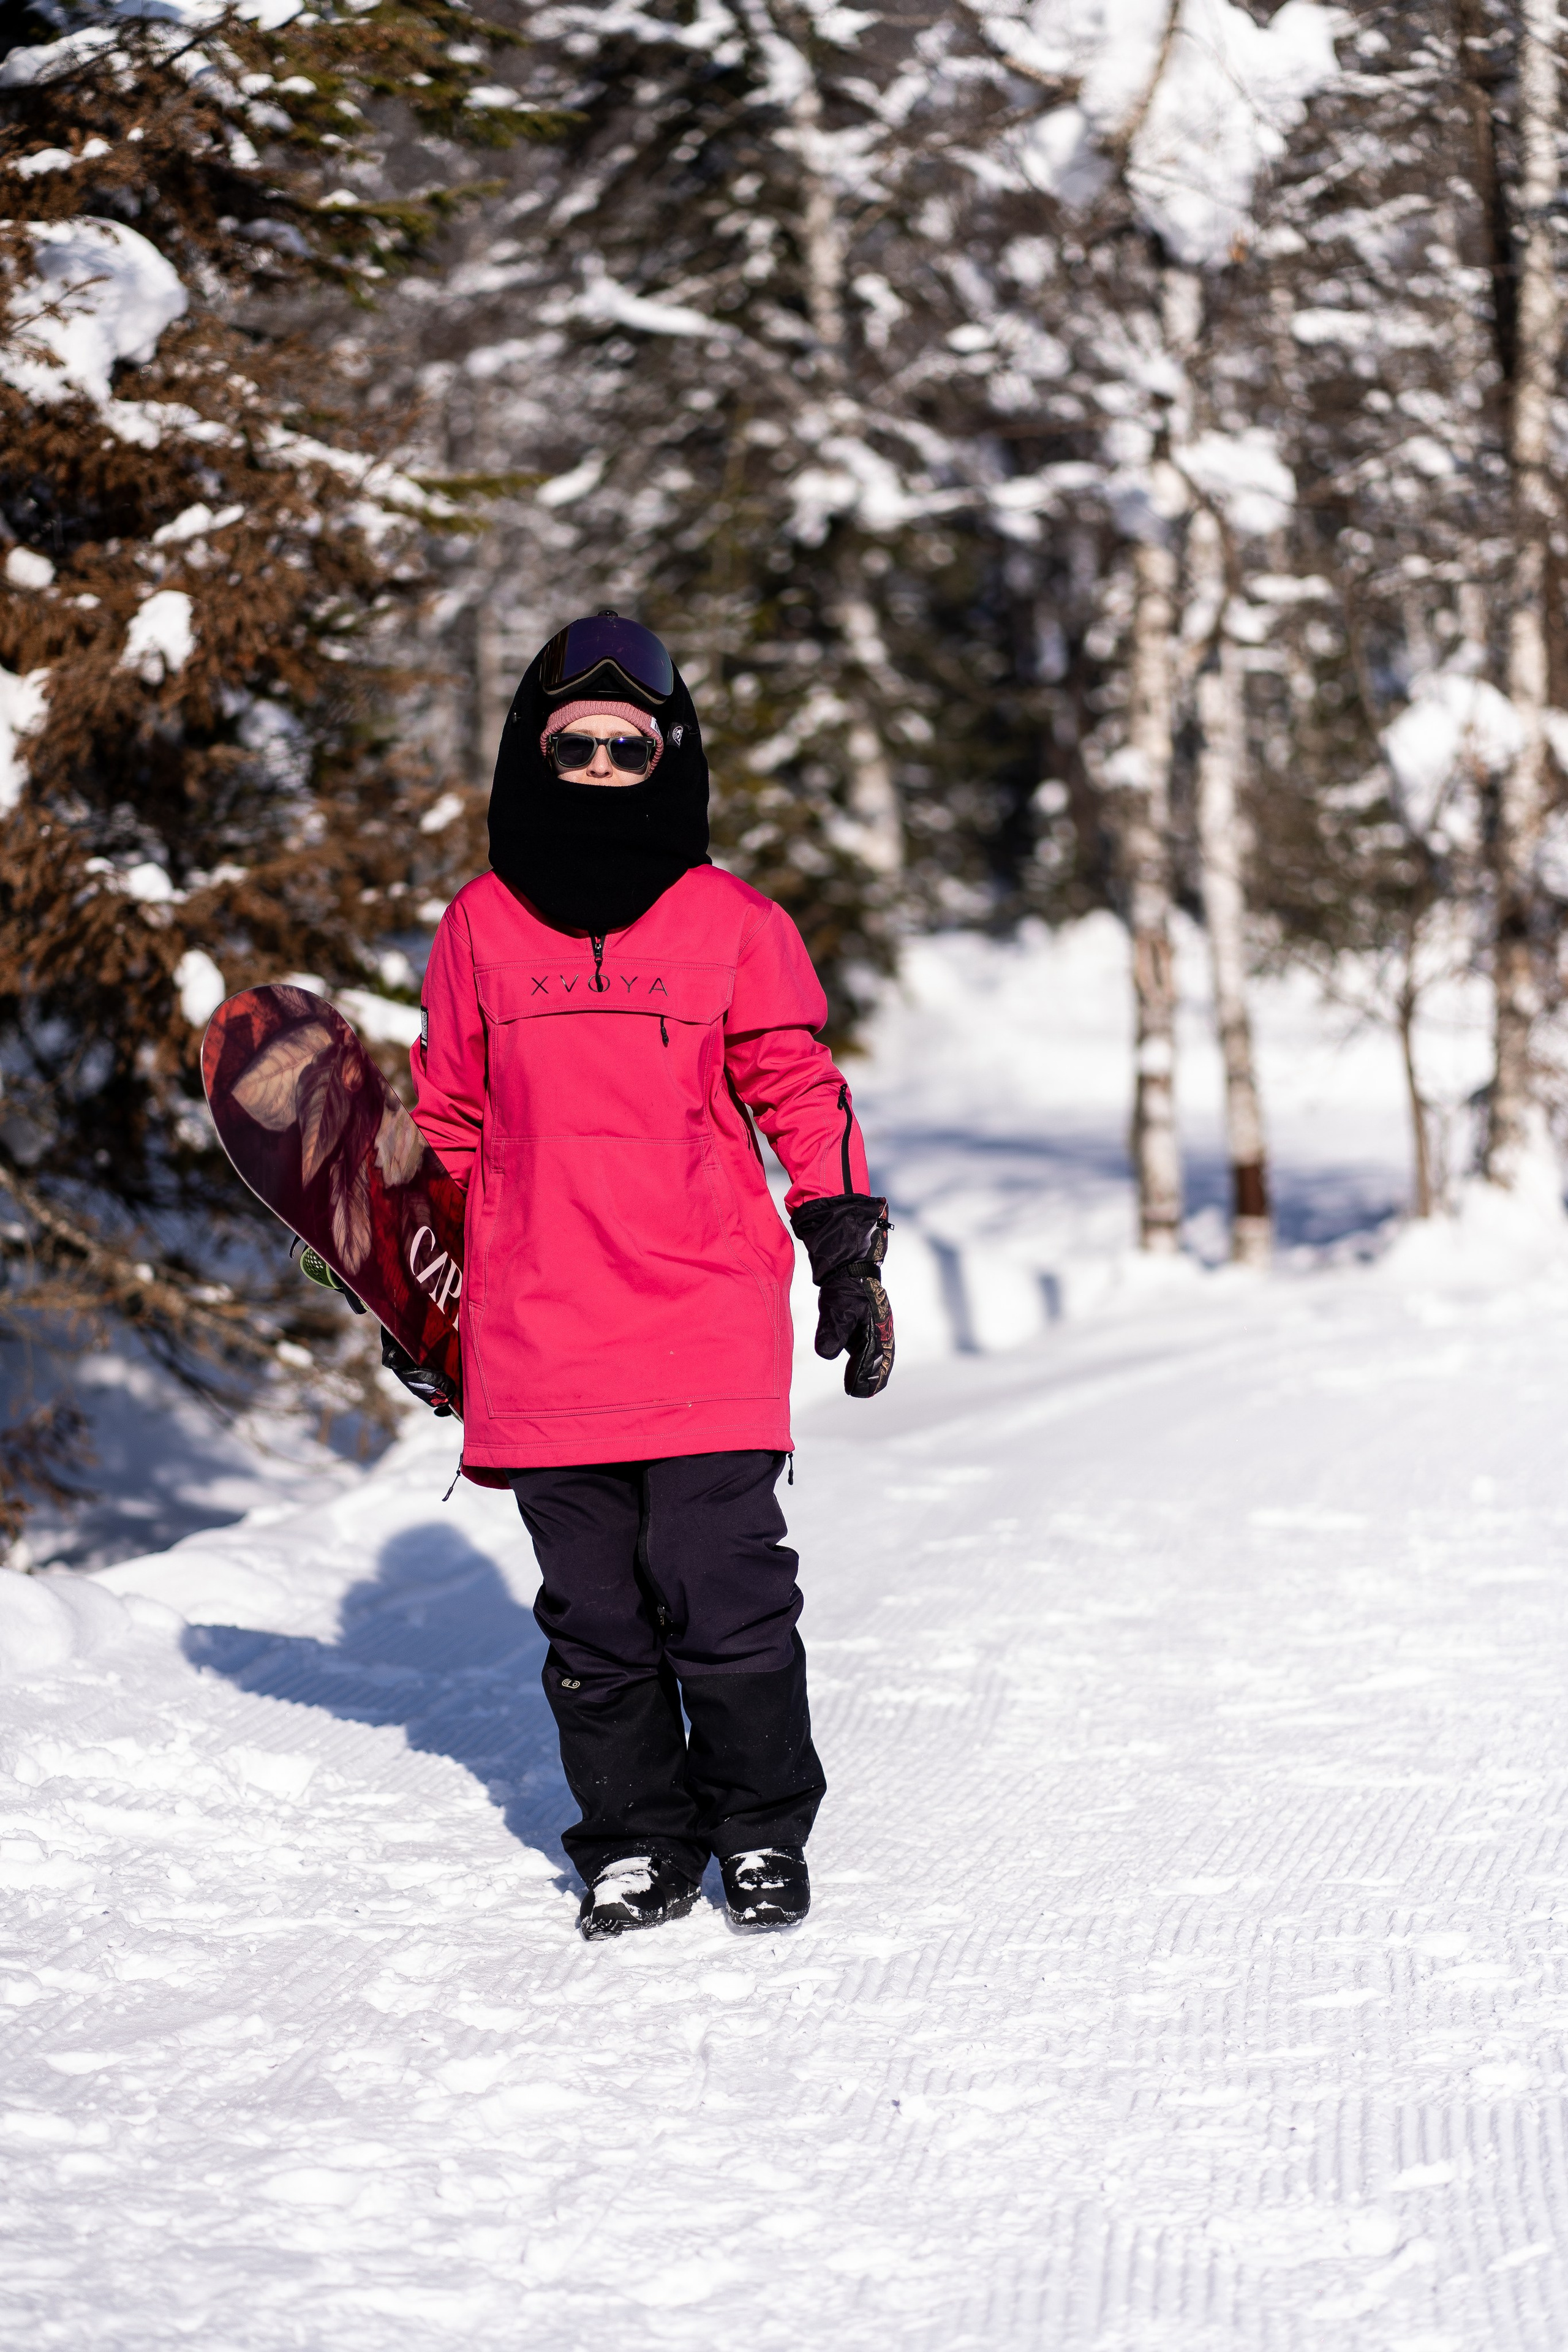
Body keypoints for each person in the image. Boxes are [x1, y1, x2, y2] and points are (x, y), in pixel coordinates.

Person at [392, 611, 894, 1940]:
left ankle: (761, 1829)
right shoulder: (479, 928)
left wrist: (842, 1247)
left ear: (669, 752)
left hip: (703, 1310)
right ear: (531, 752)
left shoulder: (732, 922)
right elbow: (444, 1124)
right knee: (596, 1615)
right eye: (577, 745)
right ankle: (634, 1841)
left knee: (721, 1587)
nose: (606, 765)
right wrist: (417, 1287)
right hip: (540, 1324)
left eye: (631, 744)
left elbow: (795, 1086)